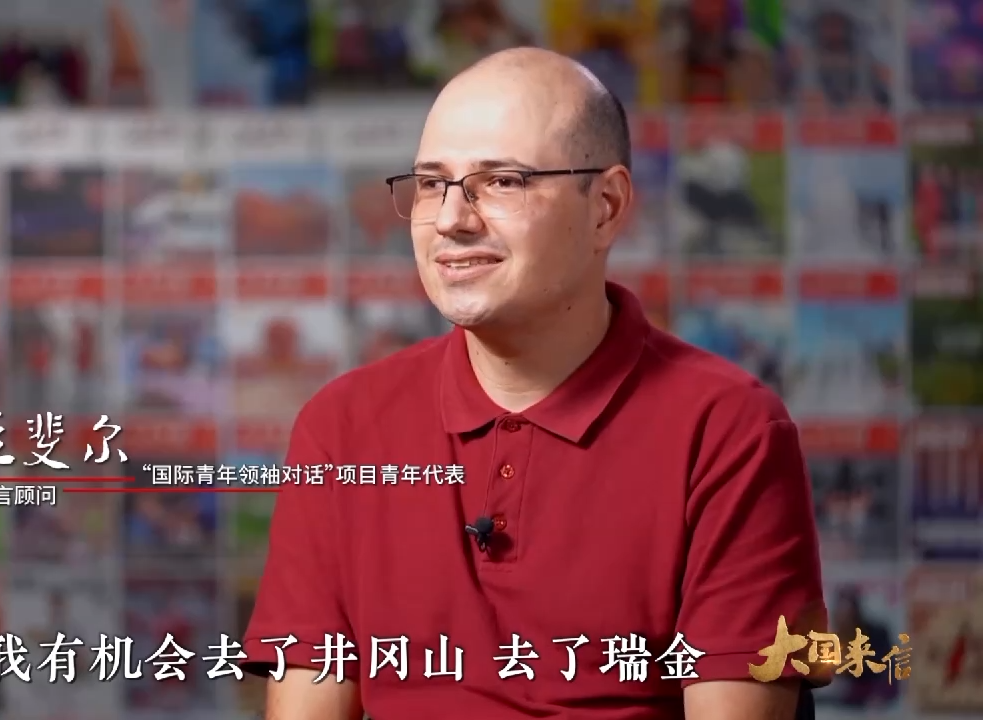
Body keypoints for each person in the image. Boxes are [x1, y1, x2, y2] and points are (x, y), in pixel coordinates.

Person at [240, 48, 826, 719]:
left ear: (605, 207)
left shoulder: (727, 428)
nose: (453, 220)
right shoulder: (343, 426)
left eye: (502, 181)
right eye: (431, 184)